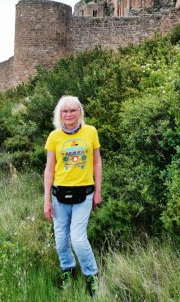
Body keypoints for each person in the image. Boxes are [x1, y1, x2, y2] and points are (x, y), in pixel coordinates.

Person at [43, 95, 102, 297]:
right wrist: (46, 200)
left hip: (84, 194)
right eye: (64, 111)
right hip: (59, 195)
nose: (69, 115)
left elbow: (97, 163)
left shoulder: (91, 132)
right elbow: (49, 169)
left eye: (73, 110)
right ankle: (67, 269)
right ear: (59, 114)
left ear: (80, 112)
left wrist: (98, 191)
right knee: (61, 239)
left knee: (77, 238)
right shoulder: (54, 137)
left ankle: (91, 274)